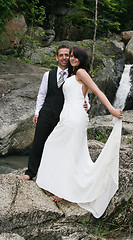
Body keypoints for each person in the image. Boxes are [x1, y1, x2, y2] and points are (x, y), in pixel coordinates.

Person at [36, 46, 123, 218]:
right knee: (56, 147)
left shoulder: (81, 72)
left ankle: (63, 191)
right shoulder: (73, 74)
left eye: (75, 57)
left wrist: (111, 109)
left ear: (81, 59)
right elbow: (79, 95)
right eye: (71, 56)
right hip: (69, 117)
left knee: (68, 152)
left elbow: (97, 91)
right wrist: (85, 104)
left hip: (74, 119)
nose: (72, 59)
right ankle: (57, 183)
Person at [21, 45, 90, 181]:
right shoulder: (48, 75)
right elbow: (41, 95)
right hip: (46, 114)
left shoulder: (74, 75)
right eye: (61, 55)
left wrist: (86, 105)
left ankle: (51, 176)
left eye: (67, 55)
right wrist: (37, 113)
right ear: (57, 57)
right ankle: (31, 172)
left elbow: (83, 95)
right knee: (38, 143)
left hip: (63, 117)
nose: (64, 58)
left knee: (57, 146)